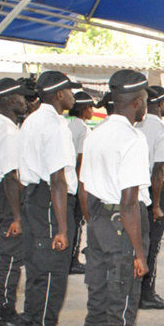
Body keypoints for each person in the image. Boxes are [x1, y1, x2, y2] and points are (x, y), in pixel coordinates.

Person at [80, 70, 153, 326]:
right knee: (119, 313)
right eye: (146, 101)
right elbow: (129, 203)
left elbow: (83, 189)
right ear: (137, 102)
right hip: (121, 229)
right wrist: (138, 252)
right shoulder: (133, 139)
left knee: (97, 309)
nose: (146, 107)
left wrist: (94, 224)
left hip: (97, 224)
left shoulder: (95, 133)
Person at [19, 70, 80, 326]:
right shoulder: (54, 126)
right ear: (58, 94)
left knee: (37, 273)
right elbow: (58, 179)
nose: (73, 96)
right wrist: (62, 229)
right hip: (50, 202)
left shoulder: (32, 120)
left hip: (35, 198)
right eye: (70, 90)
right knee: (51, 276)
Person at [0, 78, 31, 326]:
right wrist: (17, 217)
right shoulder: (8, 132)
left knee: (4, 256)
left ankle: (1, 311)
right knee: (10, 258)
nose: (26, 102)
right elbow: (11, 177)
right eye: (23, 98)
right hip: (8, 196)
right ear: (12, 101)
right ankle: (4, 314)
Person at [136, 85, 164, 310]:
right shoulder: (162, 131)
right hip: (156, 191)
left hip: (137, 190)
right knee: (153, 245)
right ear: (160, 104)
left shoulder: (136, 126)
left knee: (139, 242)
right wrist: (157, 205)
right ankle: (147, 292)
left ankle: (136, 290)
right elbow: (159, 169)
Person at [68, 91, 95, 275]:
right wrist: (82, 186)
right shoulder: (84, 129)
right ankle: (73, 259)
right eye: (91, 107)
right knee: (77, 221)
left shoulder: (69, 126)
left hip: (66, 177)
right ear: (84, 109)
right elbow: (81, 159)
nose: (92, 111)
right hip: (77, 180)